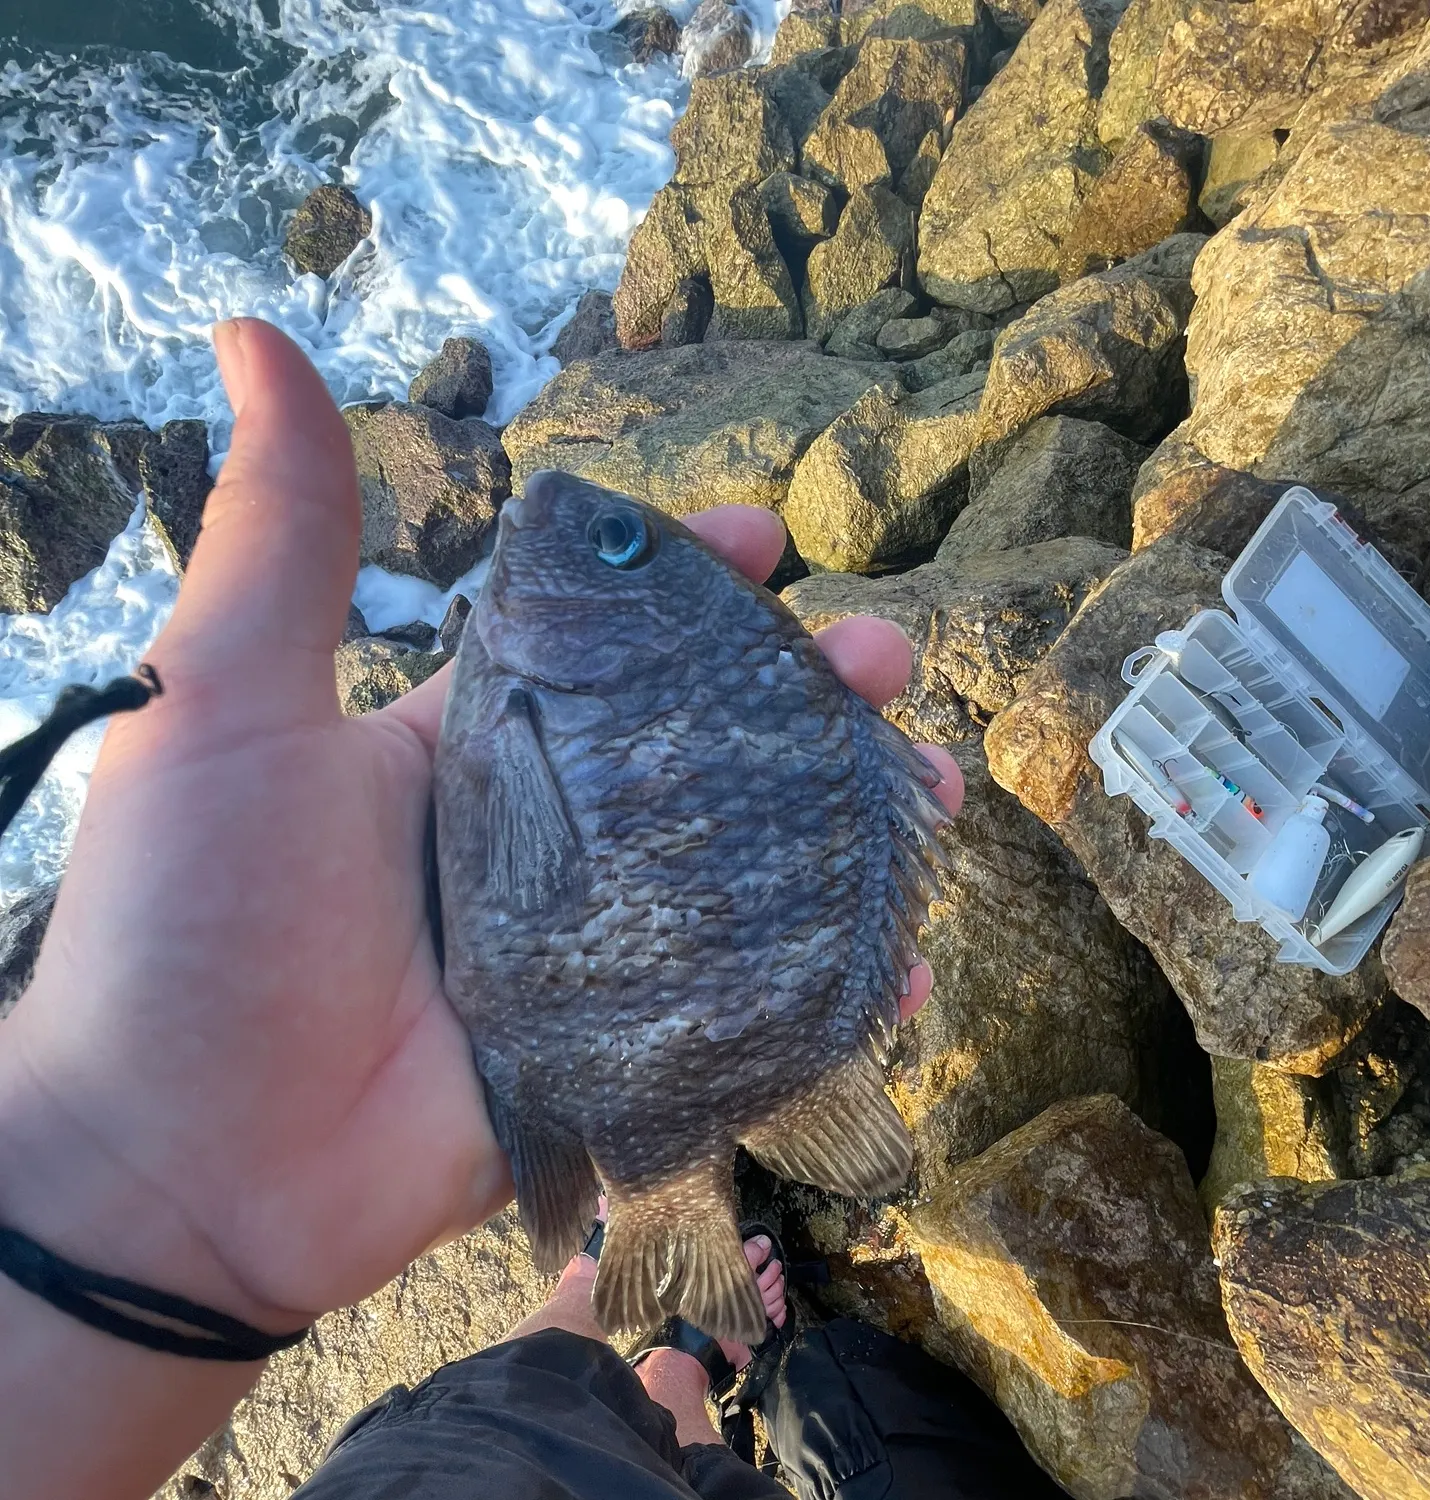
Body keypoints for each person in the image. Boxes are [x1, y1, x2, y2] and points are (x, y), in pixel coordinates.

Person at [0, 319, 967, 1498]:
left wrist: (114, 1187)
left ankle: (644, 1325)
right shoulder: (560, 677)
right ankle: (674, 1351)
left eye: (615, 544)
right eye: (626, 541)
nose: (557, 507)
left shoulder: (525, 688)